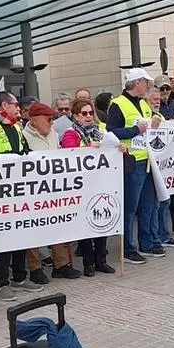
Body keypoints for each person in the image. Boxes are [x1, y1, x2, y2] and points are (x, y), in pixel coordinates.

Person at [0, 91, 45, 299]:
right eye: (15, 104)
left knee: (21, 234)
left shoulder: (16, 127)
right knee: (4, 238)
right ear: (4, 105)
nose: (18, 108)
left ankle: (19, 277)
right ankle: (1, 282)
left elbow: (25, 151)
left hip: (19, 191)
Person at [107, 68, 163, 264]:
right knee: (130, 207)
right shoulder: (118, 104)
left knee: (148, 204)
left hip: (147, 160)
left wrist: (157, 118)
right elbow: (111, 132)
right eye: (145, 82)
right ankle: (128, 249)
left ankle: (146, 243)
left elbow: (150, 121)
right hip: (131, 161)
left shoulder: (143, 103)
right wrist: (134, 130)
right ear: (137, 83)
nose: (147, 86)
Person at [22, 102, 82, 283]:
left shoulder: (54, 135)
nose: (52, 122)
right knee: (32, 228)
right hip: (33, 192)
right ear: (35, 120)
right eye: (48, 119)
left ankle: (61, 265)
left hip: (54, 190)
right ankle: (35, 268)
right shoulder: (23, 136)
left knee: (58, 225)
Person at [61, 98, 119, 276]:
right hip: (81, 186)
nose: (88, 116)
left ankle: (101, 260)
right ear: (75, 116)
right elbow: (69, 155)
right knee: (85, 224)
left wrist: (120, 149)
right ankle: (88, 263)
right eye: (84, 113)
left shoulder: (100, 131)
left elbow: (112, 147)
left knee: (102, 219)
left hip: (100, 182)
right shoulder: (71, 133)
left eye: (90, 113)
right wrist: (88, 147)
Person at [144, 87, 174, 251]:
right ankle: (155, 237)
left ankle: (164, 235)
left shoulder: (161, 117)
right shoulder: (145, 119)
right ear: (146, 101)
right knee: (154, 205)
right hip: (149, 166)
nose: (158, 102)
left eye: (159, 99)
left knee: (164, 202)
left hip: (163, 167)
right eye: (154, 100)